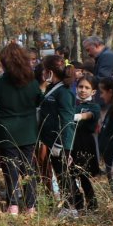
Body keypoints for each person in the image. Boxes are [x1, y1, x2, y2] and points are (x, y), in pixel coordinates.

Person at [0, 43, 42, 216]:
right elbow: (39, 101)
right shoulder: (32, 83)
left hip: (6, 131)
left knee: (9, 170)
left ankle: (13, 206)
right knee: (28, 169)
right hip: (28, 132)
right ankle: (30, 206)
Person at [37, 55, 78, 217]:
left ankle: (71, 207)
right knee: (59, 174)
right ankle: (67, 206)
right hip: (50, 140)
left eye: (44, 70)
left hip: (60, 143)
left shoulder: (64, 92)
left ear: (50, 71)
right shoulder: (52, 88)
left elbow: (67, 121)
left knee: (63, 174)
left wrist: (62, 145)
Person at [66, 74, 100, 213]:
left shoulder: (94, 106)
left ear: (93, 91)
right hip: (70, 143)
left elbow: (90, 115)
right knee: (70, 175)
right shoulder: (71, 103)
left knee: (84, 175)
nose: (83, 90)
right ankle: (78, 204)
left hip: (85, 143)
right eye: (80, 86)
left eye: (87, 88)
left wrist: (77, 116)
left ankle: (92, 205)